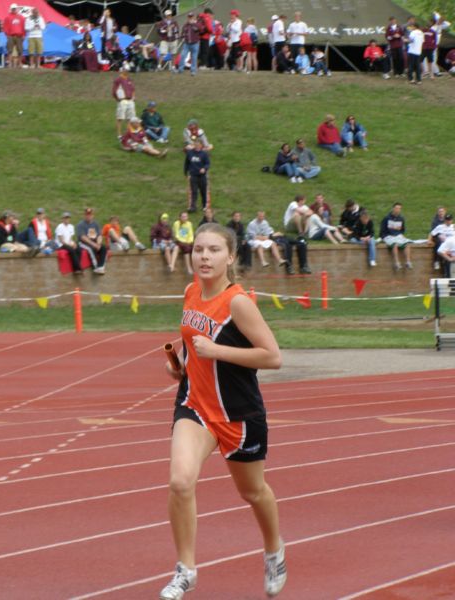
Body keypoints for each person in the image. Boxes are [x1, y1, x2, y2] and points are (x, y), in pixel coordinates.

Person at [159, 222, 286, 600]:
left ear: (230, 256)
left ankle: (274, 550)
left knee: (253, 491)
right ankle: (186, 570)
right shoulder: (190, 291)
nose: (204, 257)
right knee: (181, 481)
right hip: (195, 406)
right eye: (199, 249)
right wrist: (179, 364)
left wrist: (217, 352)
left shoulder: (237, 302)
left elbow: (272, 357)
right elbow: (191, 343)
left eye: (214, 250)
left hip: (238, 414)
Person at [380, 203, 413, 270]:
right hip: (388, 236)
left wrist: (400, 235)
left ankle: (408, 262)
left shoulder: (401, 218)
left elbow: (402, 229)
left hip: (398, 236)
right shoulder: (387, 218)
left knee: (407, 244)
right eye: (396, 208)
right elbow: (382, 230)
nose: (398, 210)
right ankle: (397, 263)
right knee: (395, 245)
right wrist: (383, 237)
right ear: (393, 209)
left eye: (399, 208)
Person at [77, 207, 107, 274]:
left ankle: (101, 267)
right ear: (84, 215)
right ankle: (95, 267)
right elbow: (83, 237)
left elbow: (99, 235)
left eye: (90, 214)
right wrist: (94, 245)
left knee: (103, 248)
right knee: (91, 249)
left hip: (94, 242)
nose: (88, 216)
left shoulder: (96, 224)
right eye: (87, 214)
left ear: (93, 215)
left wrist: (98, 244)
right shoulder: (80, 225)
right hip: (83, 243)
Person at [184, 141, 210, 212]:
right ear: (194, 145)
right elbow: (186, 163)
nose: (197, 146)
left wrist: (204, 168)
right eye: (196, 144)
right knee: (194, 191)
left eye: (198, 144)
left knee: (203, 191)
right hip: (193, 175)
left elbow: (207, 163)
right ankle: (193, 206)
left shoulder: (204, 154)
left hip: (202, 176)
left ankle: (204, 205)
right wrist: (185, 172)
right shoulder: (190, 153)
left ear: (201, 145)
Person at [112, 67, 136, 139]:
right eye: (125, 70)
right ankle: (119, 134)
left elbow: (133, 89)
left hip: (130, 100)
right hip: (123, 100)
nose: (127, 71)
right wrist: (118, 99)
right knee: (120, 118)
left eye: (127, 70)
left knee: (130, 118)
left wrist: (133, 98)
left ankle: (128, 133)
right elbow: (114, 91)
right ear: (122, 70)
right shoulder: (118, 79)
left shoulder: (129, 79)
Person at [3, 3, 25, 69]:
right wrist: (7, 34)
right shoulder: (7, 17)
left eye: (15, 8)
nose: (14, 10)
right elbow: (5, 27)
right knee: (10, 50)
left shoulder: (21, 17)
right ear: (11, 9)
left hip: (19, 36)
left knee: (20, 50)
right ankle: (10, 64)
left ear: (17, 9)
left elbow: (23, 27)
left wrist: (24, 35)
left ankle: (20, 64)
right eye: (13, 8)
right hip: (11, 35)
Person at [173, 211, 194, 275]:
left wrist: (190, 241)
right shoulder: (176, 223)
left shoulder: (189, 224)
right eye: (183, 217)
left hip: (187, 241)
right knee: (186, 248)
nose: (185, 218)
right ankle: (188, 268)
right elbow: (177, 234)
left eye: (186, 216)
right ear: (180, 217)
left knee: (194, 248)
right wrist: (184, 242)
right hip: (179, 241)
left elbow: (191, 234)